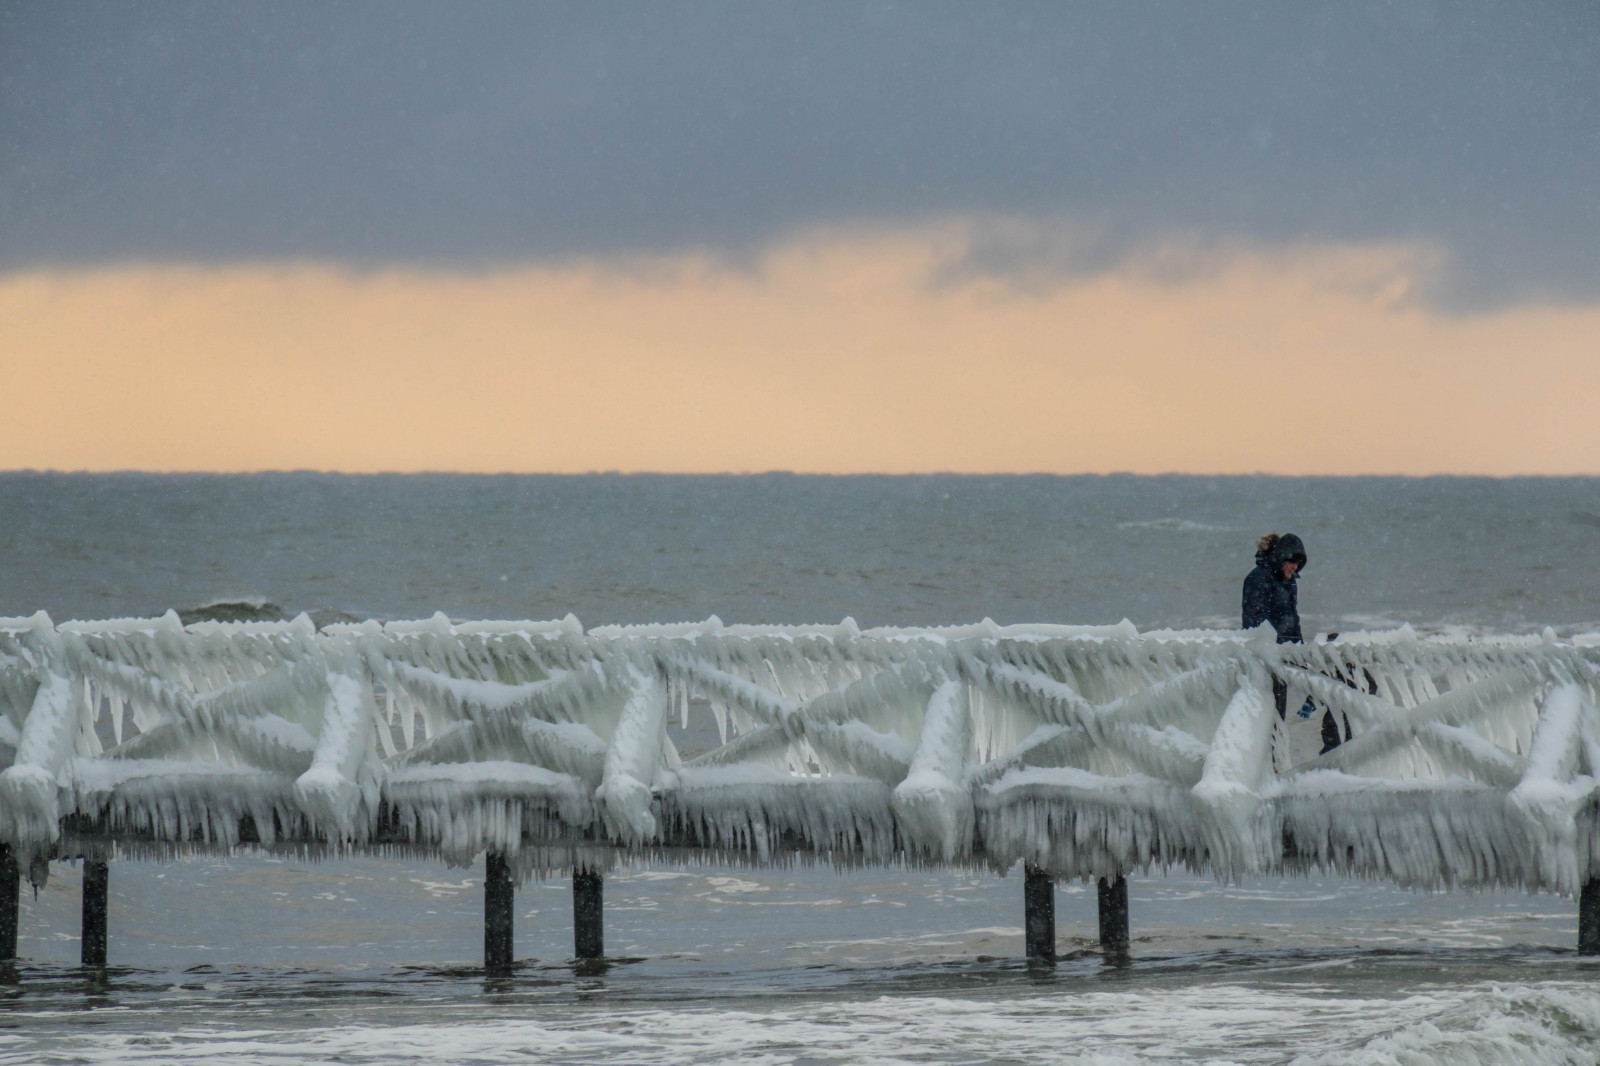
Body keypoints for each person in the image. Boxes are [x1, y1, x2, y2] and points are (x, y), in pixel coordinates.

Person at [1241, 533, 1347, 753]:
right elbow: (1254, 622)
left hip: (1286, 654)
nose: (1293, 567)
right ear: (1280, 558)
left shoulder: (1288, 583)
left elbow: (1292, 620)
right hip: (1266, 658)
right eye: (1290, 562)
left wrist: (1299, 652)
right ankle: (1267, 761)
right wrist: (1272, 650)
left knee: (1279, 713)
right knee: (1268, 714)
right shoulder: (1258, 578)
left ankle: (1276, 758)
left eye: (1297, 563)